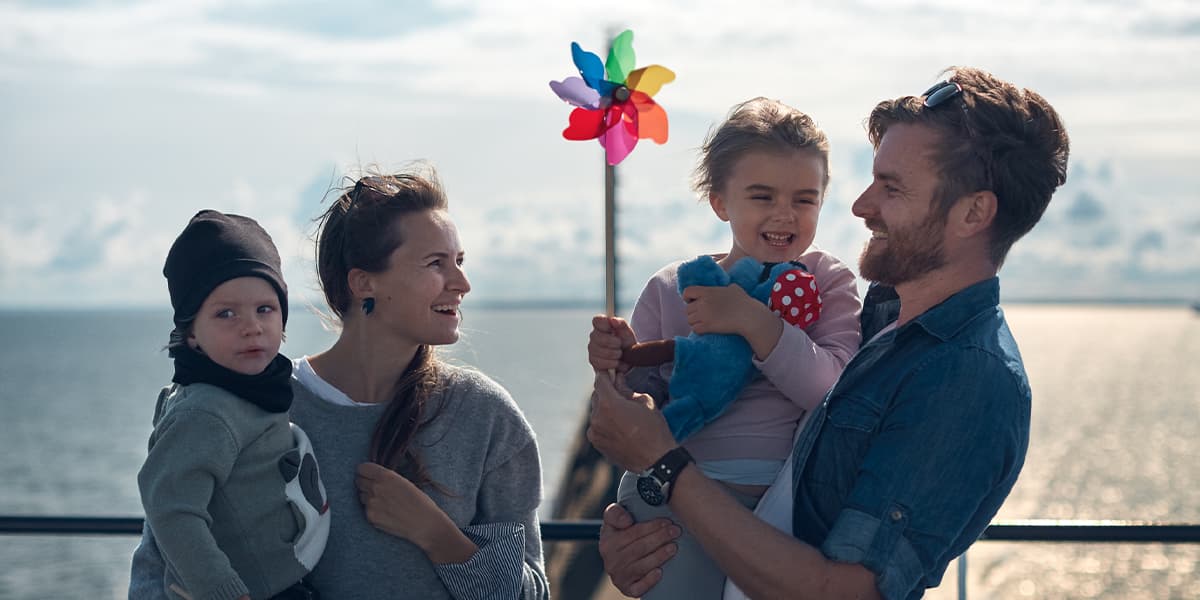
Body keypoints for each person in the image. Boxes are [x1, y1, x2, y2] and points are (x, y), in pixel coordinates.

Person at [588, 65, 1070, 600]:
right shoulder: (885, 325)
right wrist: (641, 528)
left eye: (890, 188)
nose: (860, 206)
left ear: (973, 212)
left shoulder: (966, 378)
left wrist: (666, 472)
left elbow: (843, 592)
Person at [131, 169, 551, 599]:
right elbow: (158, 569)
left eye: (458, 261)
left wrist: (439, 537)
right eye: (435, 264)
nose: (461, 284)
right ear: (363, 282)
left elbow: (531, 595)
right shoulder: (247, 402)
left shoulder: (486, 416)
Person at [587, 97, 862, 598]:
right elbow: (630, 416)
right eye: (762, 196)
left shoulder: (828, 281)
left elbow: (833, 392)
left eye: (805, 199)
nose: (785, 214)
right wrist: (619, 364)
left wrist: (755, 323)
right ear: (720, 201)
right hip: (676, 496)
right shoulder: (672, 286)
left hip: (785, 507)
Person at [139, 209, 330, 600]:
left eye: (265, 309)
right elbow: (171, 508)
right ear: (191, 333)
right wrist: (223, 591)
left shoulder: (254, 389)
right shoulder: (206, 411)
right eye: (226, 313)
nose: (251, 326)